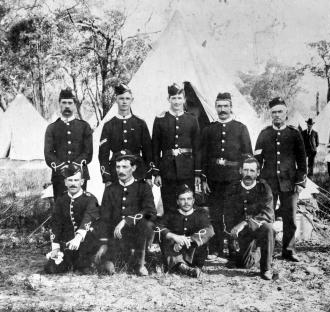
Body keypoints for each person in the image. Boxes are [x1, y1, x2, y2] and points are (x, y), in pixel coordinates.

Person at [254, 97, 307, 262]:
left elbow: (302, 161)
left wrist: (300, 182)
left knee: (290, 218)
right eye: (274, 112)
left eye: (280, 112)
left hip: (289, 184)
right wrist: (259, 182)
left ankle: (289, 250)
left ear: (286, 113)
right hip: (269, 184)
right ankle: (265, 250)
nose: (277, 115)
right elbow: (257, 160)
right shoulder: (264, 134)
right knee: (266, 217)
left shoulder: (294, 134)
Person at [201, 92, 252, 259]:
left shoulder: (240, 128)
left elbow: (247, 155)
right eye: (219, 106)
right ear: (215, 107)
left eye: (225, 106)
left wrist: (242, 178)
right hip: (214, 179)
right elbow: (204, 155)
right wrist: (204, 178)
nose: (222, 109)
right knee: (215, 214)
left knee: (231, 214)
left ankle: (232, 249)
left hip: (233, 179)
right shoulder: (209, 129)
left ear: (231, 107)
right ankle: (216, 249)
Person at [95, 152, 157, 276]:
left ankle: (141, 263)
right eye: (118, 167)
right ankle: (118, 258)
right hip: (116, 237)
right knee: (108, 270)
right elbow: (105, 218)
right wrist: (103, 244)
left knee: (147, 223)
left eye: (124, 167)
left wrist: (126, 220)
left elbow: (150, 212)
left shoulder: (143, 187)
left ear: (133, 168)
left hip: (138, 235)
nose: (120, 170)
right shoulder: (110, 189)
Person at [152, 83, 201, 212]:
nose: (177, 101)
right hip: (167, 170)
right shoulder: (160, 119)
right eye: (173, 98)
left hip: (187, 169)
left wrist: (197, 172)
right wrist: (156, 172)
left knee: (187, 204)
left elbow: (197, 148)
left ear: (184, 99)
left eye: (179, 98)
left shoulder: (192, 119)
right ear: (168, 99)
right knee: (169, 205)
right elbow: (155, 148)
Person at [44, 164, 100, 274]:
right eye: (70, 180)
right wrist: (55, 247)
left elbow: (87, 219)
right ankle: (68, 261)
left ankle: (83, 263)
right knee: (51, 269)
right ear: (65, 182)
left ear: (82, 182)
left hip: (85, 244)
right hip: (67, 244)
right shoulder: (61, 199)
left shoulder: (90, 199)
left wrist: (78, 238)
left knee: (84, 270)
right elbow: (56, 223)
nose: (73, 183)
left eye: (76, 180)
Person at [224, 158, 274, 280]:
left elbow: (268, 213)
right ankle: (260, 251)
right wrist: (232, 238)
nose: (248, 173)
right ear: (240, 171)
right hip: (241, 232)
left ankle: (266, 268)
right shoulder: (233, 188)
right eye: (245, 170)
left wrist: (245, 222)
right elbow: (228, 214)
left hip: (258, 227)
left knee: (268, 228)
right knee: (244, 264)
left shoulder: (264, 188)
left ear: (257, 173)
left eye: (252, 170)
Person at [99, 83, 153, 186]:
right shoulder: (109, 125)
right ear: (116, 100)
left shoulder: (140, 123)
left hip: (137, 171)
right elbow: (103, 155)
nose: (124, 102)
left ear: (132, 100)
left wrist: (148, 176)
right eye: (121, 98)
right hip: (116, 173)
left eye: (127, 99)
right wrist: (107, 178)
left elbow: (148, 152)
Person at [44, 88, 93, 200]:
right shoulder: (52, 128)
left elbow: (88, 152)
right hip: (59, 177)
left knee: (80, 209)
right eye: (64, 103)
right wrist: (63, 168)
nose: (67, 106)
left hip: (79, 176)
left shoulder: (84, 126)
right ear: (59, 105)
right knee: (61, 211)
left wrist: (74, 167)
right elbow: (48, 154)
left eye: (70, 103)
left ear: (75, 105)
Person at [156, 184, 214, 277]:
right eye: (182, 199)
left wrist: (188, 240)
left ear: (193, 200)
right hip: (174, 251)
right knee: (165, 237)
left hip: (194, 253)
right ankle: (184, 268)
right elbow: (158, 227)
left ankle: (183, 267)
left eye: (189, 199)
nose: (186, 202)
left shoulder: (201, 213)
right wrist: (174, 237)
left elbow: (209, 230)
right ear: (177, 201)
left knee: (206, 233)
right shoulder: (171, 214)